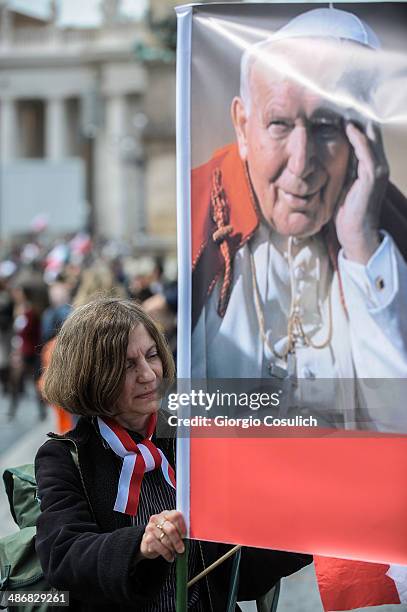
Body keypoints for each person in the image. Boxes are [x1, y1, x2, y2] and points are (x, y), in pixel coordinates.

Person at [191, 8, 407, 432]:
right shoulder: (199, 216)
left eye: (326, 126)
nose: (302, 164)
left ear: (363, 134)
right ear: (242, 125)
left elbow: (399, 419)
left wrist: (363, 246)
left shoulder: (390, 231)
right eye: (279, 124)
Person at [35, 297, 310, 611]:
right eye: (127, 365)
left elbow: (237, 560)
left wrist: (308, 525)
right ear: (92, 374)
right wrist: (142, 544)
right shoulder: (62, 457)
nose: (149, 375)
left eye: (152, 355)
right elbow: (64, 556)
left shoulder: (192, 434)